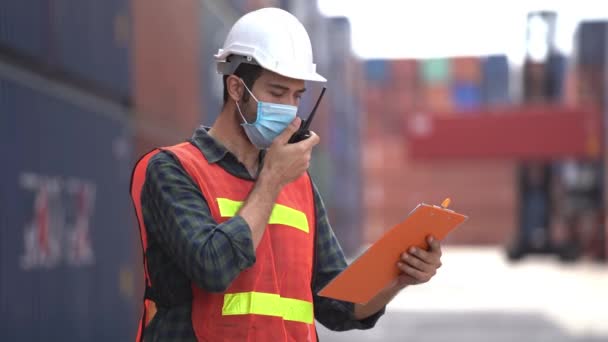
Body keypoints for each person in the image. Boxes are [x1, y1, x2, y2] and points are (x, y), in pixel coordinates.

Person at [130, 7, 444, 341]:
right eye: (277, 93)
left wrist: (398, 277)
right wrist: (272, 179)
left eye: (296, 96)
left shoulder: (300, 183)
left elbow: (339, 304)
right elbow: (213, 268)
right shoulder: (172, 170)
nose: (289, 108)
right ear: (236, 88)